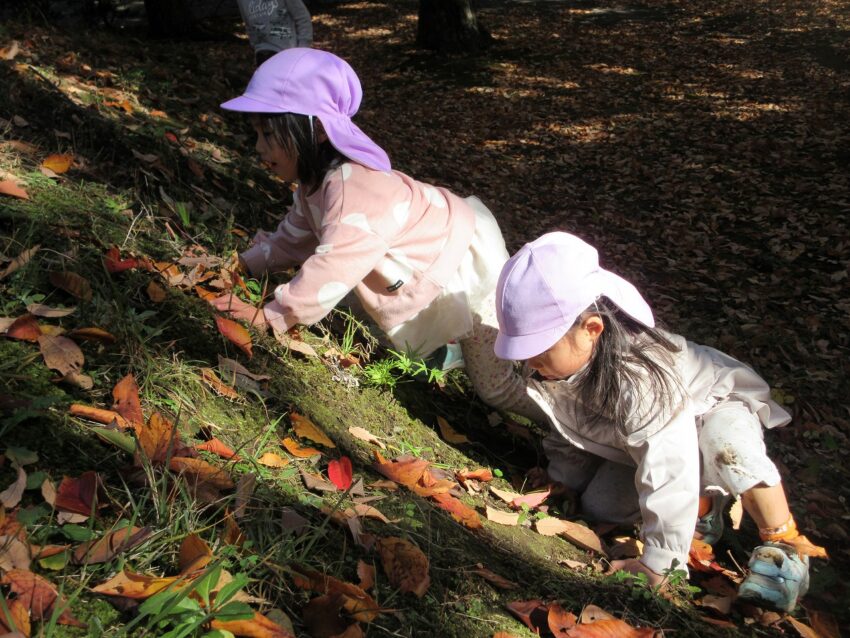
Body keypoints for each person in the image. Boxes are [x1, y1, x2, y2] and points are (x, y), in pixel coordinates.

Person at [493, 231, 827, 611]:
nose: (530, 359)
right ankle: (703, 506)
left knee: (728, 450)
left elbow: (667, 466)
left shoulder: (640, 379)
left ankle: (783, 547)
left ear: (591, 329)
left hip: (713, 407)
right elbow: (570, 427)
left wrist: (661, 563)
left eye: (540, 347)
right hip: (658, 441)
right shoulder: (556, 371)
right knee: (600, 507)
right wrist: (563, 480)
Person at [213, 48, 544, 422]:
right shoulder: (315, 185)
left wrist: (273, 316)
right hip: (421, 267)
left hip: (465, 272)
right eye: (257, 133)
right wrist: (245, 263)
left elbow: (334, 264)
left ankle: (560, 424)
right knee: (347, 312)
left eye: (269, 134)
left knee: (495, 385)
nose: (259, 148)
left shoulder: (354, 188)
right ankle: (445, 351)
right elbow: (293, 238)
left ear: (318, 128)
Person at [236, 0, 313, 66]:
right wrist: (256, 47)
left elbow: (303, 18)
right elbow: (248, 25)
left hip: (287, 54)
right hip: (262, 55)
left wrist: (301, 50)